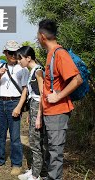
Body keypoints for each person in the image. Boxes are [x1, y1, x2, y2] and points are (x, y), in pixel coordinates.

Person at [37, 19, 83, 180]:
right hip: (50, 112)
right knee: (50, 150)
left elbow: (77, 79)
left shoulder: (59, 54)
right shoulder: (51, 54)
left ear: (42, 36)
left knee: (55, 152)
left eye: (37, 35)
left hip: (58, 112)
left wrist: (58, 96)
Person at [0, 40, 29, 175]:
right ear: (5, 53)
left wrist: (19, 107)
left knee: (15, 136)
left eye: (15, 52)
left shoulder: (23, 68)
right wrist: (0, 74)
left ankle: (16, 163)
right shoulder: (0, 66)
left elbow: (25, 90)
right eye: (10, 52)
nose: (13, 55)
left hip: (15, 103)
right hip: (0, 103)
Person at [16, 46, 46, 180]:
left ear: (28, 58)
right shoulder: (32, 71)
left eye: (20, 58)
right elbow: (33, 95)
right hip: (34, 108)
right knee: (33, 141)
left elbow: (43, 94)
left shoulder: (38, 71)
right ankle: (34, 169)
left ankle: (36, 175)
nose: (18, 61)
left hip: (39, 109)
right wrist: (30, 114)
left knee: (36, 143)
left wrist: (39, 116)